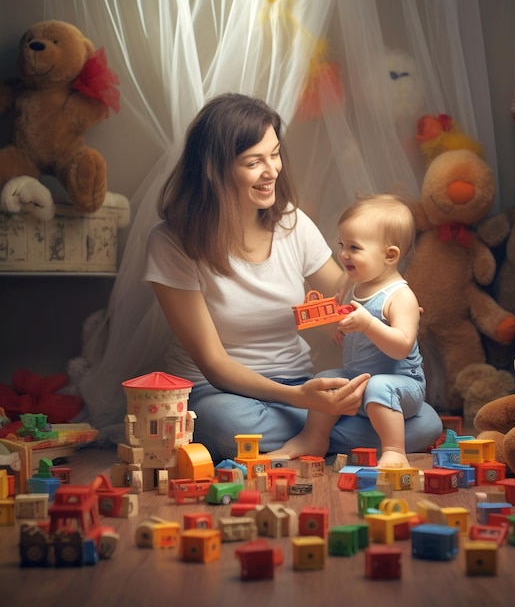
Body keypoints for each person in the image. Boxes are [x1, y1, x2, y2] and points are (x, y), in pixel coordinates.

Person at [143, 92, 442, 463]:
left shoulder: (292, 222)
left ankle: (307, 437)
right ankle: (322, 434)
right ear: (213, 169)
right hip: (221, 392)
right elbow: (213, 363)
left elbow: (343, 292)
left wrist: (391, 299)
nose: (272, 171)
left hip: (299, 383)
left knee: (426, 421)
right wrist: (302, 401)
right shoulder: (172, 242)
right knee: (226, 424)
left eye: (275, 154)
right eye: (254, 162)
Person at [269, 195, 427, 468]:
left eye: (354, 247)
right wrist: (343, 333)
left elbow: (401, 346)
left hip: (401, 383)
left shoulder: (400, 296)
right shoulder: (355, 286)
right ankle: (313, 438)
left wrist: (367, 324)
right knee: (327, 379)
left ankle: (394, 450)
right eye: (342, 245)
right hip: (360, 378)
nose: (343, 254)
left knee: (380, 386)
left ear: (390, 255)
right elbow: (354, 331)